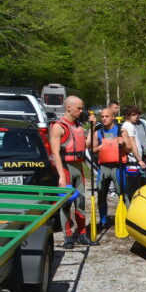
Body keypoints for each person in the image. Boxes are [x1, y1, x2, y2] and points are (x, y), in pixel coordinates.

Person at [50, 96, 96, 248]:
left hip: (79, 168)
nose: (81, 111)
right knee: (65, 205)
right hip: (66, 168)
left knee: (81, 202)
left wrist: (92, 127)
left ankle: (82, 235)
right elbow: (55, 153)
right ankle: (68, 237)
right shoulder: (58, 126)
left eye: (82, 108)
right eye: (79, 108)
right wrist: (61, 176)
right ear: (68, 107)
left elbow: (87, 144)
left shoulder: (78, 125)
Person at [92, 108, 127, 228]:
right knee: (101, 195)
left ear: (113, 117)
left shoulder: (121, 130)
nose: (104, 118)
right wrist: (101, 147)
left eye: (107, 116)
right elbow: (92, 149)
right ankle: (103, 221)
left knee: (123, 194)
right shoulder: (98, 132)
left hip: (118, 168)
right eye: (102, 116)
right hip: (103, 168)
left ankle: (128, 220)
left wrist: (123, 144)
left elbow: (129, 149)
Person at [121, 105, 146, 206]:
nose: (136, 116)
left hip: (133, 161)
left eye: (137, 114)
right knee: (133, 189)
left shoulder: (126, 126)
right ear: (127, 116)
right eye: (133, 115)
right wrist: (139, 160)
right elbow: (132, 144)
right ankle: (132, 209)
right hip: (133, 162)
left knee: (133, 187)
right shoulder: (129, 126)